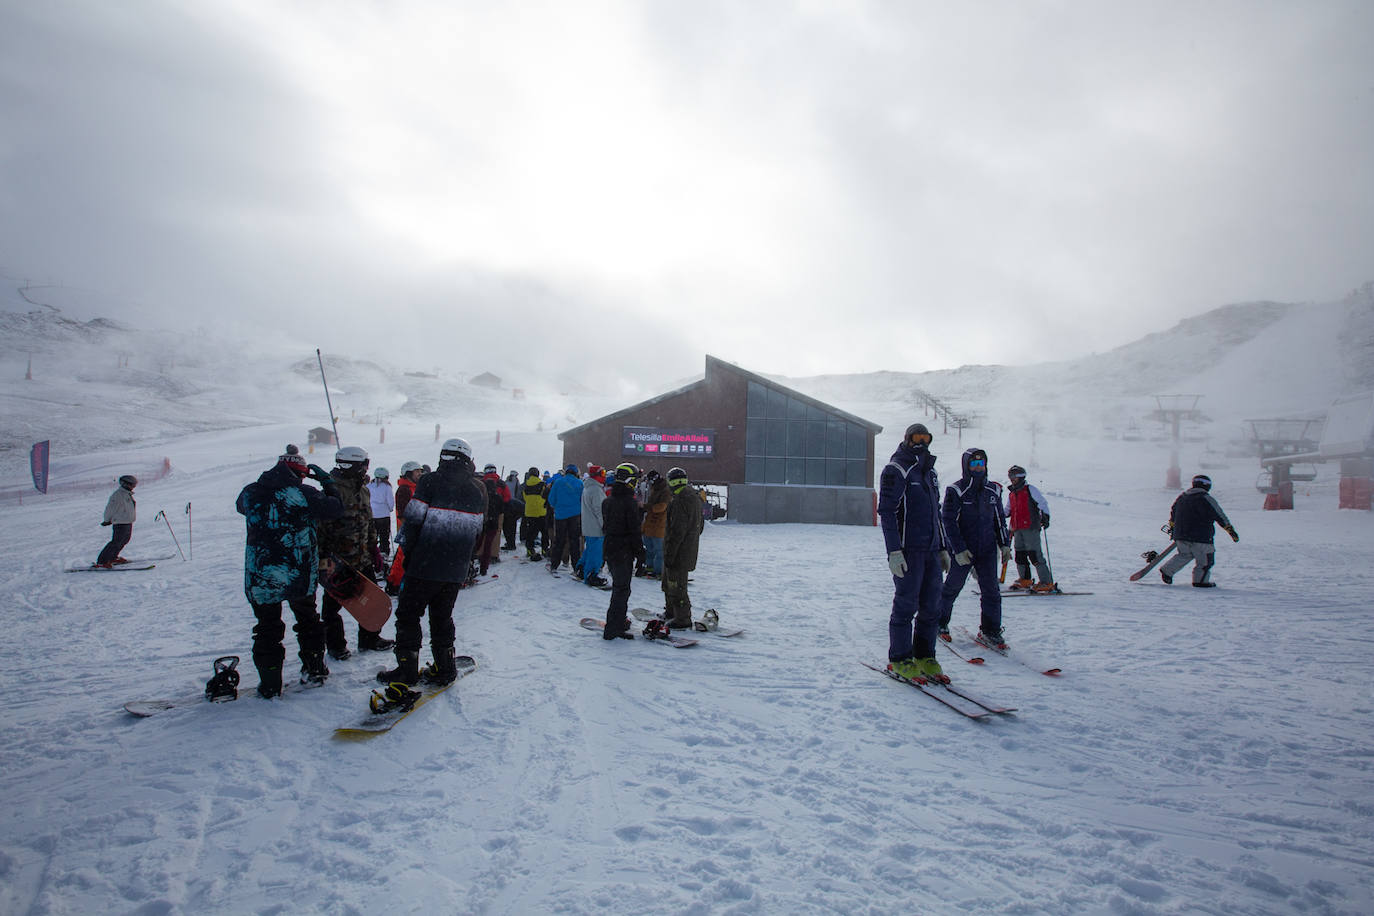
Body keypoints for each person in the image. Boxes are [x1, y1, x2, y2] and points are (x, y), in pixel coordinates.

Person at [235, 446, 344, 697]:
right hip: (298, 570)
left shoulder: (251, 492)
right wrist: (327, 482)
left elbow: (241, 507)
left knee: (267, 627)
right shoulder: (303, 493)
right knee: (307, 621)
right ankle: (314, 669)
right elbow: (335, 508)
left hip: (261, 573)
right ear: (300, 473)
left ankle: (270, 682)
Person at [380, 437, 487, 685]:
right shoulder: (475, 489)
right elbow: (476, 532)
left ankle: (406, 670)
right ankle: (445, 667)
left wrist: (409, 558)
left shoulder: (429, 481)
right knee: (442, 618)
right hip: (454, 570)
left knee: (408, 616)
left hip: (425, 565)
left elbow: (413, 521)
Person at [877, 423, 952, 682]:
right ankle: (900, 657)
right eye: (916, 437)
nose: (921, 442)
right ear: (907, 439)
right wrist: (894, 551)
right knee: (906, 605)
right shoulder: (896, 469)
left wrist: (943, 548)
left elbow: (937, 514)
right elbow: (886, 512)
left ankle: (924, 655)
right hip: (909, 551)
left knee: (932, 606)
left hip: (931, 549)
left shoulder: (929, 473)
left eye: (925, 437)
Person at [317, 446, 394, 659]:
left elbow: (368, 523)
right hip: (340, 560)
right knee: (332, 606)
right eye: (364, 464)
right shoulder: (333, 492)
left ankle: (369, 638)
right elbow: (321, 528)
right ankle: (335, 645)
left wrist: (374, 548)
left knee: (372, 600)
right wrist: (323, 558)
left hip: (363, 556)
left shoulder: (363, 489)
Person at [937, 448, 1011, 648]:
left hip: (986, 550)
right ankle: (939, 623)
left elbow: (999, 520)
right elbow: (948, 522)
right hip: (963, 551)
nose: (978, 468)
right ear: (966, 466)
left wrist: (1004, 545)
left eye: (981, 464)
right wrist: (958, 549)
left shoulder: (993, 490)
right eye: (974, 464)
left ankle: (990, 630)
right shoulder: (956, 490)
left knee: (991, 591)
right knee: (952, 588)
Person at [1159, 474, 1238, 588]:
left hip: (1180, 535)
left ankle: (1167, 570)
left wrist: (1173, 529)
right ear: (1207, 486)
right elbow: (1220, 515)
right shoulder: (1206, 498)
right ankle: (1200, 581)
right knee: (1205, 560)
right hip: (1201, 537)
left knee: (1185, 555)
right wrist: (1231, 531)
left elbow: (1173, 514)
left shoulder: (1182, 498)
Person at [602, 463, 647, 639]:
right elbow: (634, 531)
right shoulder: (629, 503)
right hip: (623, 551)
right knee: (621, 590)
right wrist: (640, 553)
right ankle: (613, 628)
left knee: (620, 588)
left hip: (611, 549)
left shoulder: (608, 501)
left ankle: (618, 621)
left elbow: (607, 527)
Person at [662, 466, 705, 629]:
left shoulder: (680, 501)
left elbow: (677, 532)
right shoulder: (694, 498)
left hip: (678, 552)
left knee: (676, 585)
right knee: (671, 583)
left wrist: (670, 553)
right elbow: (699, 526)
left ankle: (682, 618)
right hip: (687, 550)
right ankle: (671, 612)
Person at [1005, 465, 1054, 592]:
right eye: (1010, 476)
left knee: (1034, 554)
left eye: (1013, 476)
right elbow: (1007, 510)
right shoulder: (1012, 493)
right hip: (1017, 528)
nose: (1011, 479)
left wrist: (1045, 516)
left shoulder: (1030, 489)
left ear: (1021, 477)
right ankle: (1025, 579)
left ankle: (1046, 581)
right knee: (1020, 554)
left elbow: (1042, 503)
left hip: (1030, 527)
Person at [546, 463, 584, 576]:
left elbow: (551, 499)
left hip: (560, 516)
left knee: (559, 541)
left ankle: (554, 565)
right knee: (574, 542)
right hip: (575, 516)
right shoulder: (580, 483)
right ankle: (576, 567)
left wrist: (557, 507)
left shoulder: (558, 482)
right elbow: (583, 499)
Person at [95, 474, 138, 567]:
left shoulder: (126, 494)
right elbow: (110, 508)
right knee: (116, 542)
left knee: (124, 540)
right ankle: (102, 561)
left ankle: (113, 557)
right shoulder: (118, 495)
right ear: (125, 484)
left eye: (134, 485)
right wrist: (107, 520)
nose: (133, 487)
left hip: (127, 522)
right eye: (132, 485)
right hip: (120, 522)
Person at [476, 463, 507, 575]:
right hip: (496, 514)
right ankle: (493, 555)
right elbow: (507, 497)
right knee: (495, 536)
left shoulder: (481, 483)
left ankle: (479, 554)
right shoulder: (501, 483)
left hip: (483, 514)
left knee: (481, 536)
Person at [580, 465, 609, 587]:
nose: (604, 477)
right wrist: (605, 526)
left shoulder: (588, 487)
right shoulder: (596, 490)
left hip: (589, 526)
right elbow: (599, 510)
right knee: (596, 552)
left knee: (590, 549)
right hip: (596, 527)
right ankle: (591, 574)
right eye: (602, 474)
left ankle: (581, 568)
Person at [639, 469, 669, 578]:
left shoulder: (665, 491)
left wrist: (647, 507)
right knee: (649, 550)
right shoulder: (656, 489)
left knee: (659, 551)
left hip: (659, 526)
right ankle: (649, 568)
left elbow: (662, 507)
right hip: (650, 526)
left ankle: (658, 571)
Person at [519, 467, 548, 560]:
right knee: (544, 532)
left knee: (531, 532)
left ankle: (530, 549)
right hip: (541, 511)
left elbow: (524, 498)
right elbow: (546, 496)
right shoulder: (542, 484)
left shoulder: (525, 485)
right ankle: (544, 549)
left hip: (530, 511)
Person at [367, 466, 395, 559]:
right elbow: (390, 501)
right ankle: (384, 553)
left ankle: (372, 554)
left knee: (373, 536)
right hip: (383, 514)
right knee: (384, 536)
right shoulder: (387, 487)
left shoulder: (369, 485)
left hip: (372, 514)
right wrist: (390, 508)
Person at [502, 470, 523, 550]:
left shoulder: (506, 481)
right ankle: (511, 544)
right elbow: (518, 493)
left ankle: (510, 543)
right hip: (514, 504)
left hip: (507, 504)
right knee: (511, 526)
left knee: (507, 526)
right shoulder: (516, 481)